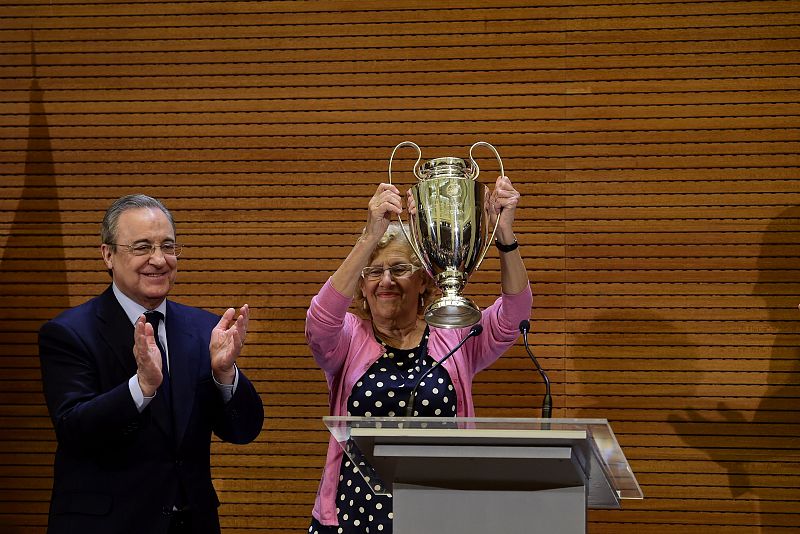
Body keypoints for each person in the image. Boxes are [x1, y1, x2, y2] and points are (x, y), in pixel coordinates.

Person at [305, 176, 532, 533]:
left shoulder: (455, 336)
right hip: (353, 518)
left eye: (398, 269)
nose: (386, 281)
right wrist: (369, 238)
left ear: (424, 280)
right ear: (361, 287)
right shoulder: (348, 339)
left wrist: (504, 235)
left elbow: (514, 317)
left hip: (441, 515)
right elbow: (319, 321)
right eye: (374, 272)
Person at [38, 194, 264, 534]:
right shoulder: (69, 333)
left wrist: (224, 374)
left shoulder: (204, 330)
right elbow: (74, 430)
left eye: (168, 247)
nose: (159, 260)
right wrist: (140, 389)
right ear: (108, 255)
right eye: (142, 247)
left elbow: (243, 431)